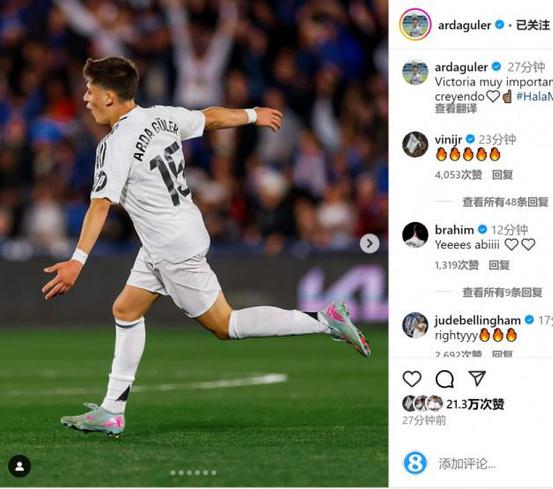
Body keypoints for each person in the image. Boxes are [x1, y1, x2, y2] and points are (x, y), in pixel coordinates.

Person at [42, 56, 371, 437]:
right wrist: (253, 114)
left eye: (90, 91)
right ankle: (112, 410)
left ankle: (324, 320)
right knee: (126, 309)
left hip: (171, 246)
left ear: (110, 97)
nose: (85, 98)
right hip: (174, 233)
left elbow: (100, 205)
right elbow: (210, 117)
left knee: (226, 325)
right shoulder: (161, 116)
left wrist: (77, 261)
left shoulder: (114, 145)